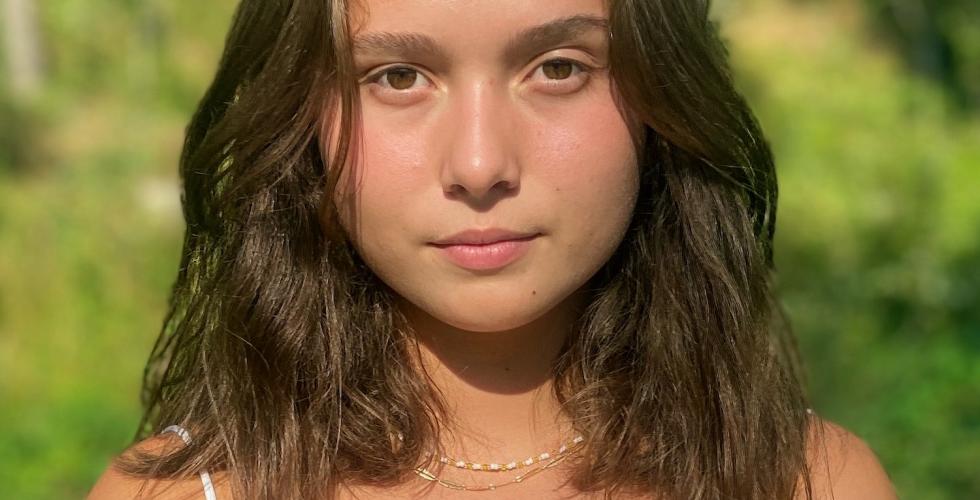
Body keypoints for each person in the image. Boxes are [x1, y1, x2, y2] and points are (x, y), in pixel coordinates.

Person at [88, 0, 898, 498]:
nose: (479, 166)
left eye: (558, 68)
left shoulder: (808, 482)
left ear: (666, 97)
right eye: (397, 77)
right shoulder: (186, 494)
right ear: (302, 118)